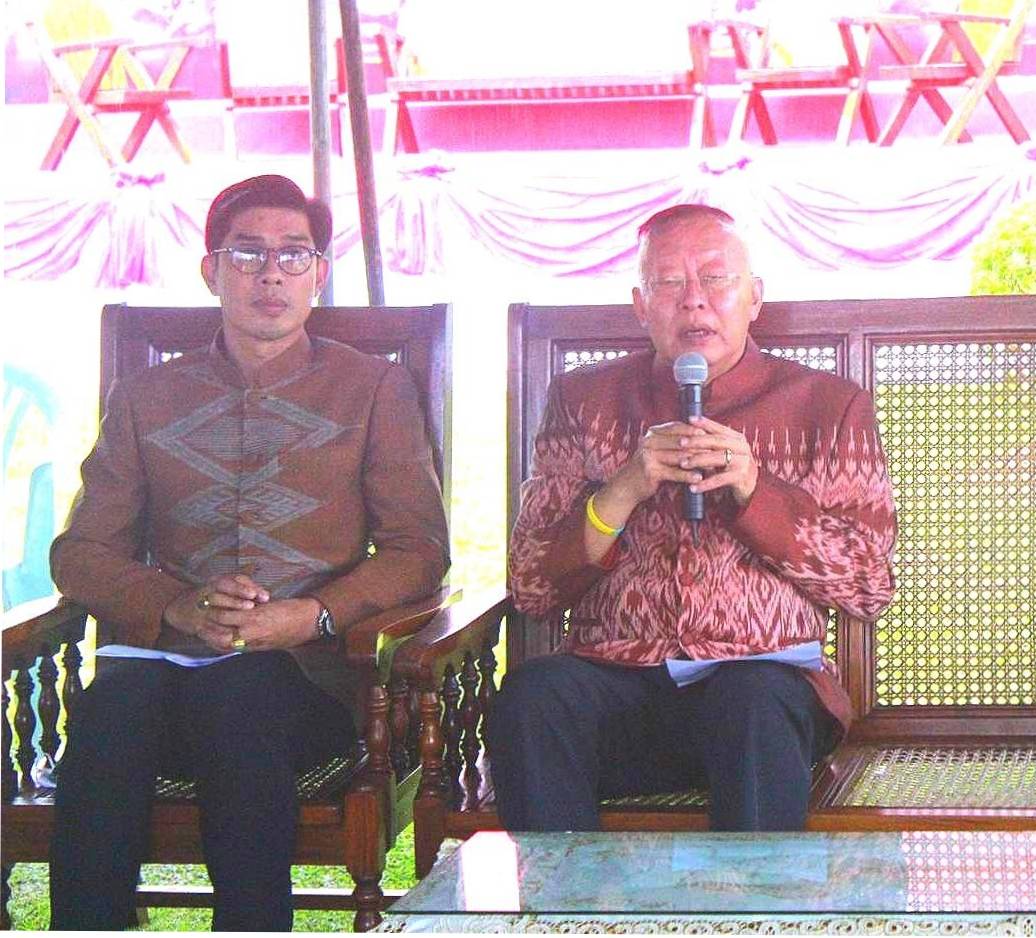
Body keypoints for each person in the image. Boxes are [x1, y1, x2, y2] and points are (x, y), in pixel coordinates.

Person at [48, 175, 450, 931]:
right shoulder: (147, 396)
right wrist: (174, 604)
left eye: (294, 255)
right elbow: (80, 553)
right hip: (164, 669)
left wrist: (314, 614)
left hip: (310, 684)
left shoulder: (372, 389)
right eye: (248, 253)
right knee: (108, 715)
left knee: (239, 697)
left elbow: (418, 551)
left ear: (319, 275)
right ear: (212, 270)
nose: (271, 274)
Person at [490, 203, 897, 832]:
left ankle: (752, 923)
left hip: (763, 695)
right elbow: (533, 587)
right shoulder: (584, 401)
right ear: (641, 304)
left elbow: (868, 586)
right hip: (621, 686)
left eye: (715, 279)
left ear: (754, 298)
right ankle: (564, 918)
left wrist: (755, 491)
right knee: (533, 697)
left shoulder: (827, 405)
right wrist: (622, 488)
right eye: (670, 284)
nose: (694, 303)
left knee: (751, 698)